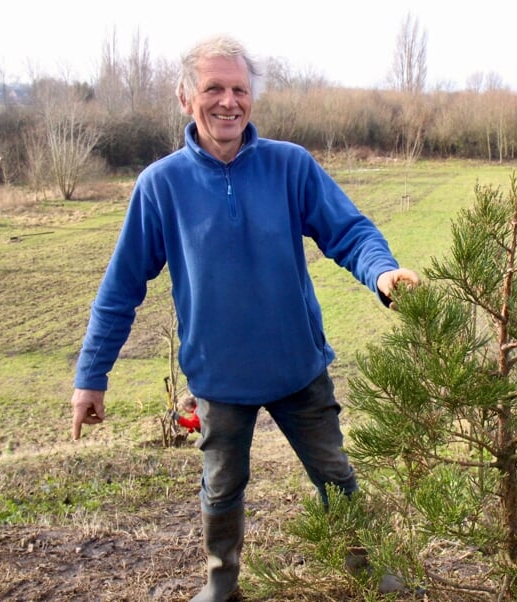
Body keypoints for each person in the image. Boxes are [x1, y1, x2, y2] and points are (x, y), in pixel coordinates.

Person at [68, 34, 420, 602]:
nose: (228, 101)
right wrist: (91, 375)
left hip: (297, 367)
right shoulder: (161, 186)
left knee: (336, 477)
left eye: (238, 89)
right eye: (213, 89)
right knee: (221, 487)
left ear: (251, 99)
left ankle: (369, 570)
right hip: (219, 378)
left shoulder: (291, 166)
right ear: (187, 99)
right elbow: (120, 288)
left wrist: (382, 274)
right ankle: (221, 583)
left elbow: (350, 231)